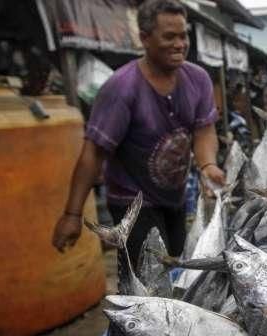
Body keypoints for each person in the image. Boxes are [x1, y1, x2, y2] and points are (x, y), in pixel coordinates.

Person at [51, 0, 225, 292]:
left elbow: (204, 130)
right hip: (133, 203)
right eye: (169, 36)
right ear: (144, 38)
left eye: (183, 36)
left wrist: (207, 165)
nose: (179, 44)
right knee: (148, 285)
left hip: (176, 198)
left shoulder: (198, 79)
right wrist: (72, 214)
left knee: (181, 270)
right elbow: (93, 152)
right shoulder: (121, 88)